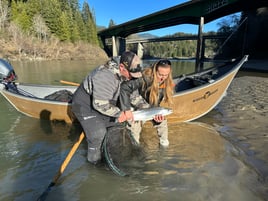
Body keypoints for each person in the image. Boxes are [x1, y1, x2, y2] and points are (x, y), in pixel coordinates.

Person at [71, 51, 142, 164]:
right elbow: (100, 104)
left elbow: (135, 97)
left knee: (116, 132)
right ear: (122, 67)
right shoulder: (104, 75)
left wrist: (147, 107)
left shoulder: (130, 76)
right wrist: (120, 114)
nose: (132, 79)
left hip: (109, 103)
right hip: (86, 104)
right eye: (131, 75)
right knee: (98, 134)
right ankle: (94, 163)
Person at [120, 59, 174, 147]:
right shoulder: (144, 77)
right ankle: (134, 146)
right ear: (154, 71)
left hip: (147, 106)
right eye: (160, 74)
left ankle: (164, 145)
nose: (162, 78)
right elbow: (124, 88)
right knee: (135, 127)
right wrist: (126, 110)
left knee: (162, 121)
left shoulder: (165, 82)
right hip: (132, 101)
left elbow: (155, 104)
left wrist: (157, 119)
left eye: (166, 75)